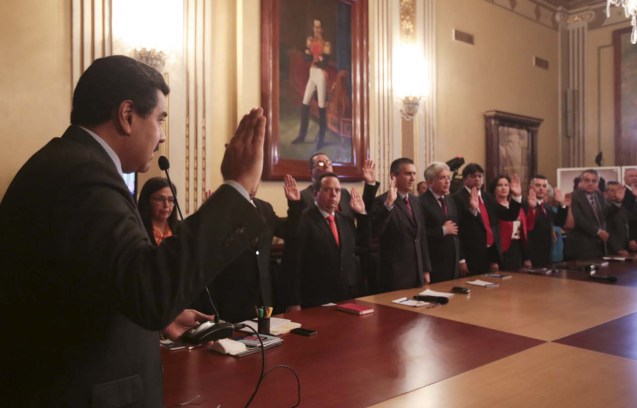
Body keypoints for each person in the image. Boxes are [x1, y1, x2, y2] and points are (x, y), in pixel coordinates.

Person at [0, 55, 267, 406]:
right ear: (127, 116)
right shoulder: (83, 176)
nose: (161, 137)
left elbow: (98, 281)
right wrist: (236, 186)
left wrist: (162, 319)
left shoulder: (68, 162)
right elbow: (149, 291)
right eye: (160, 119)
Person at [192, 177, 302, 322]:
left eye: (255, 180)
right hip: (232, 299)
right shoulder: (222, 208)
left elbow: (289, 232)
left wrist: (294, 204)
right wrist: (209, 215)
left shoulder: (265, 209)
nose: (252, 185)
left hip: (264, 299)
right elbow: (208, 250)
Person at [287, 173, 369, 309]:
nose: (333, 195)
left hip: (346, 295)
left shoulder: (345, 220)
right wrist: (293, 302)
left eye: (337, 190)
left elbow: (363, 245)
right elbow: (293, 263)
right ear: (315, 194)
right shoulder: (303, 220)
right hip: (315, 297)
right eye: (327, 190)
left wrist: (361, 214)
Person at [371, 158, 432, 291]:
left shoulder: (416, 201)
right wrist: (388, 205)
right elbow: (376, 231)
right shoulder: (382, 201)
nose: (412, 178)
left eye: (414, 174)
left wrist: (425, 268)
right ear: (394, 176)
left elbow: (421, 237)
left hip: (417, 272)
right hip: (394, 274)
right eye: (408, 174)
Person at [451, 163, 522, 275]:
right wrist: (461, 259)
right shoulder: (456, 199)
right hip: (470, 255)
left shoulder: (488, 197)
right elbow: (457, 231)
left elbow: (509, 215)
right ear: (464, 179)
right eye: (474, 176)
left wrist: (516, 197)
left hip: (489, 253)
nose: (477, 179)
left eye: (480, 176)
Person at [564, 169, 623, 260]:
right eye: (587, 180)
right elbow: (579, 219)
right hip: (580, 247)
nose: (590, 183)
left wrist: (618, 202)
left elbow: (604, 214)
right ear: (581, 181)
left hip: (598, 247)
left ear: (597, 183)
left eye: (594, 181)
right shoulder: (573, 196)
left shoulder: (599, 196)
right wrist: (598, 232)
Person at [291, 18, 332, 149]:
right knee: (305, 103)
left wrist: (313, 57)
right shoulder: (310, 40)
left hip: (320, 75)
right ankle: (302, 136)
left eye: (318, 27)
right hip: (312, 73)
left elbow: (324, 62)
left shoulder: (326, 44)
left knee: (321, 106)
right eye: (315, 27)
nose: (316, 29)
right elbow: (306, 58)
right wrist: (316, 58)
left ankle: (321, 139)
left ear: (322, 29)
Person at [420, 162, 461, 282]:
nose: (448, 181)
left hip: (452, 262)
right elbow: (419, 235)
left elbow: (456, 230)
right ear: (429, 182)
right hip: (434, 263)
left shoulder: (450, 200)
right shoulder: (421, 202)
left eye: (449, 178)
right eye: (443, 178)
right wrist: (442, 230)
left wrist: (461, 259)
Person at [489, 175, 531, 271]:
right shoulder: (492, 206)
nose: (503, 188)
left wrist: (526, 257)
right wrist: (493, 260)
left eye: (506, 185)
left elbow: (524, 232)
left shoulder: (516, 207)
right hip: (501, 250)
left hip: (517, 248)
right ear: (494, 188)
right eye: (500, 185)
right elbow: (492, 234)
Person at [525, 175, 567, 267]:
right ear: (531, 188)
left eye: (544, 186)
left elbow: (559, 222)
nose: (541, 188)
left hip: (546, 253)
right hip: (531, 255)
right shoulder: (525, 204)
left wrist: (562, 204)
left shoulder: (547, 207)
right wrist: (526, 257)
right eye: (538, 185)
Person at [138, 177, 180, 245]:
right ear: (147, 201)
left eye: (170, 200)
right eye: (159, 199)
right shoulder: (138, 229)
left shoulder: (181, 229)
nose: (166, 205)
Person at [605, 181, 631, 257]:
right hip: (612, 251)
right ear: (606, 193)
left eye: (619, 190)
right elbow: (607, 230)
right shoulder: (604, 207)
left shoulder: (622, 207)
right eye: (612, 190)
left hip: (625, 249)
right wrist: (618, 249)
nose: (616, 193)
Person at [621, 167, 637, 251]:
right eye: (631, 176)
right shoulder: (621, 193)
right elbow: (628, 217)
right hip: (630, 237)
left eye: (636, 176)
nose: (634, 178)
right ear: (624, 178)